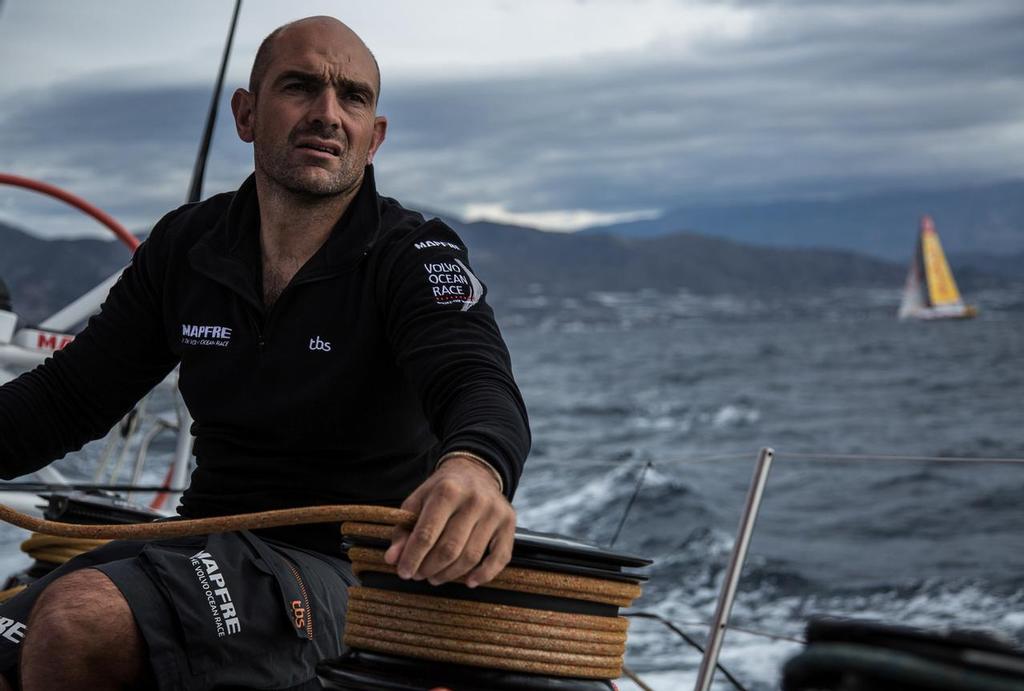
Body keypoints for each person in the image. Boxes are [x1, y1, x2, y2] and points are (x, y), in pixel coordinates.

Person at [0, 16, 529, 691]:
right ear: (246, 114)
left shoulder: (412, 254)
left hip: (355, 572)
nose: (327, 114)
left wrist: (476, 467)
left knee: (79, 622)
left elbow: (476, 378)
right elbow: (69, 398)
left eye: (353, 98)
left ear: (376, 137)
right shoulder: (188, 246)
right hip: (206, 540)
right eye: (301, 87)